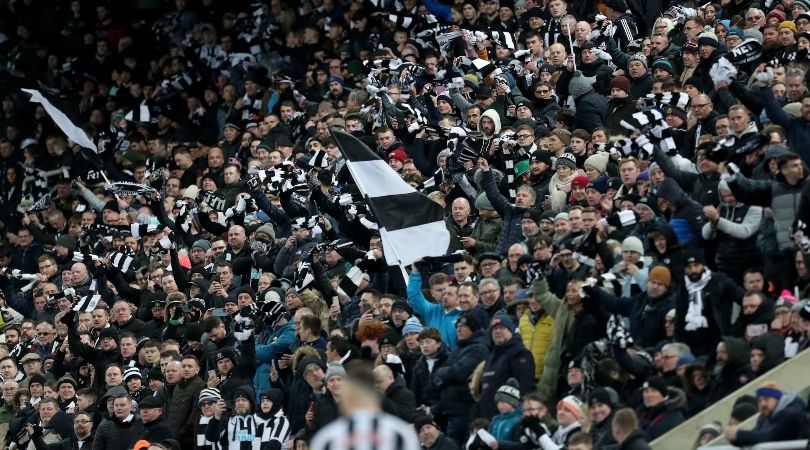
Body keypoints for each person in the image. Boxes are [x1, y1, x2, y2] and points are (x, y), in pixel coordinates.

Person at [724, 382, 809, 446]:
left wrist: (738, 435)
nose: (762, 404)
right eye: (759, 401)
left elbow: (770, 437)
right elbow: (755, 434)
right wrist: (734, 439)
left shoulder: (792, 415)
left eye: (766, 399)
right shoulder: (764, 417)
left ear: (778, 399)